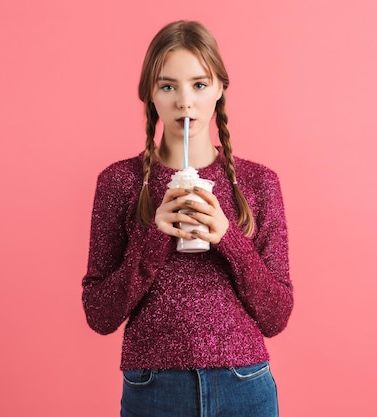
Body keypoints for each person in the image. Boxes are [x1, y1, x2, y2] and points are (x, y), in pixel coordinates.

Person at [82, 20, 293, 417]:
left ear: (219, 89)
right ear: (150, 94)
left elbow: (277, 315)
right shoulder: (119, 182)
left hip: (244, 385)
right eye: (168, 86)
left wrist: (227, 237)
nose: (184, 101)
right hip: (153, 389)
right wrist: (153, 236)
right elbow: (99, 314)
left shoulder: (259, 183)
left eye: (199, 84)